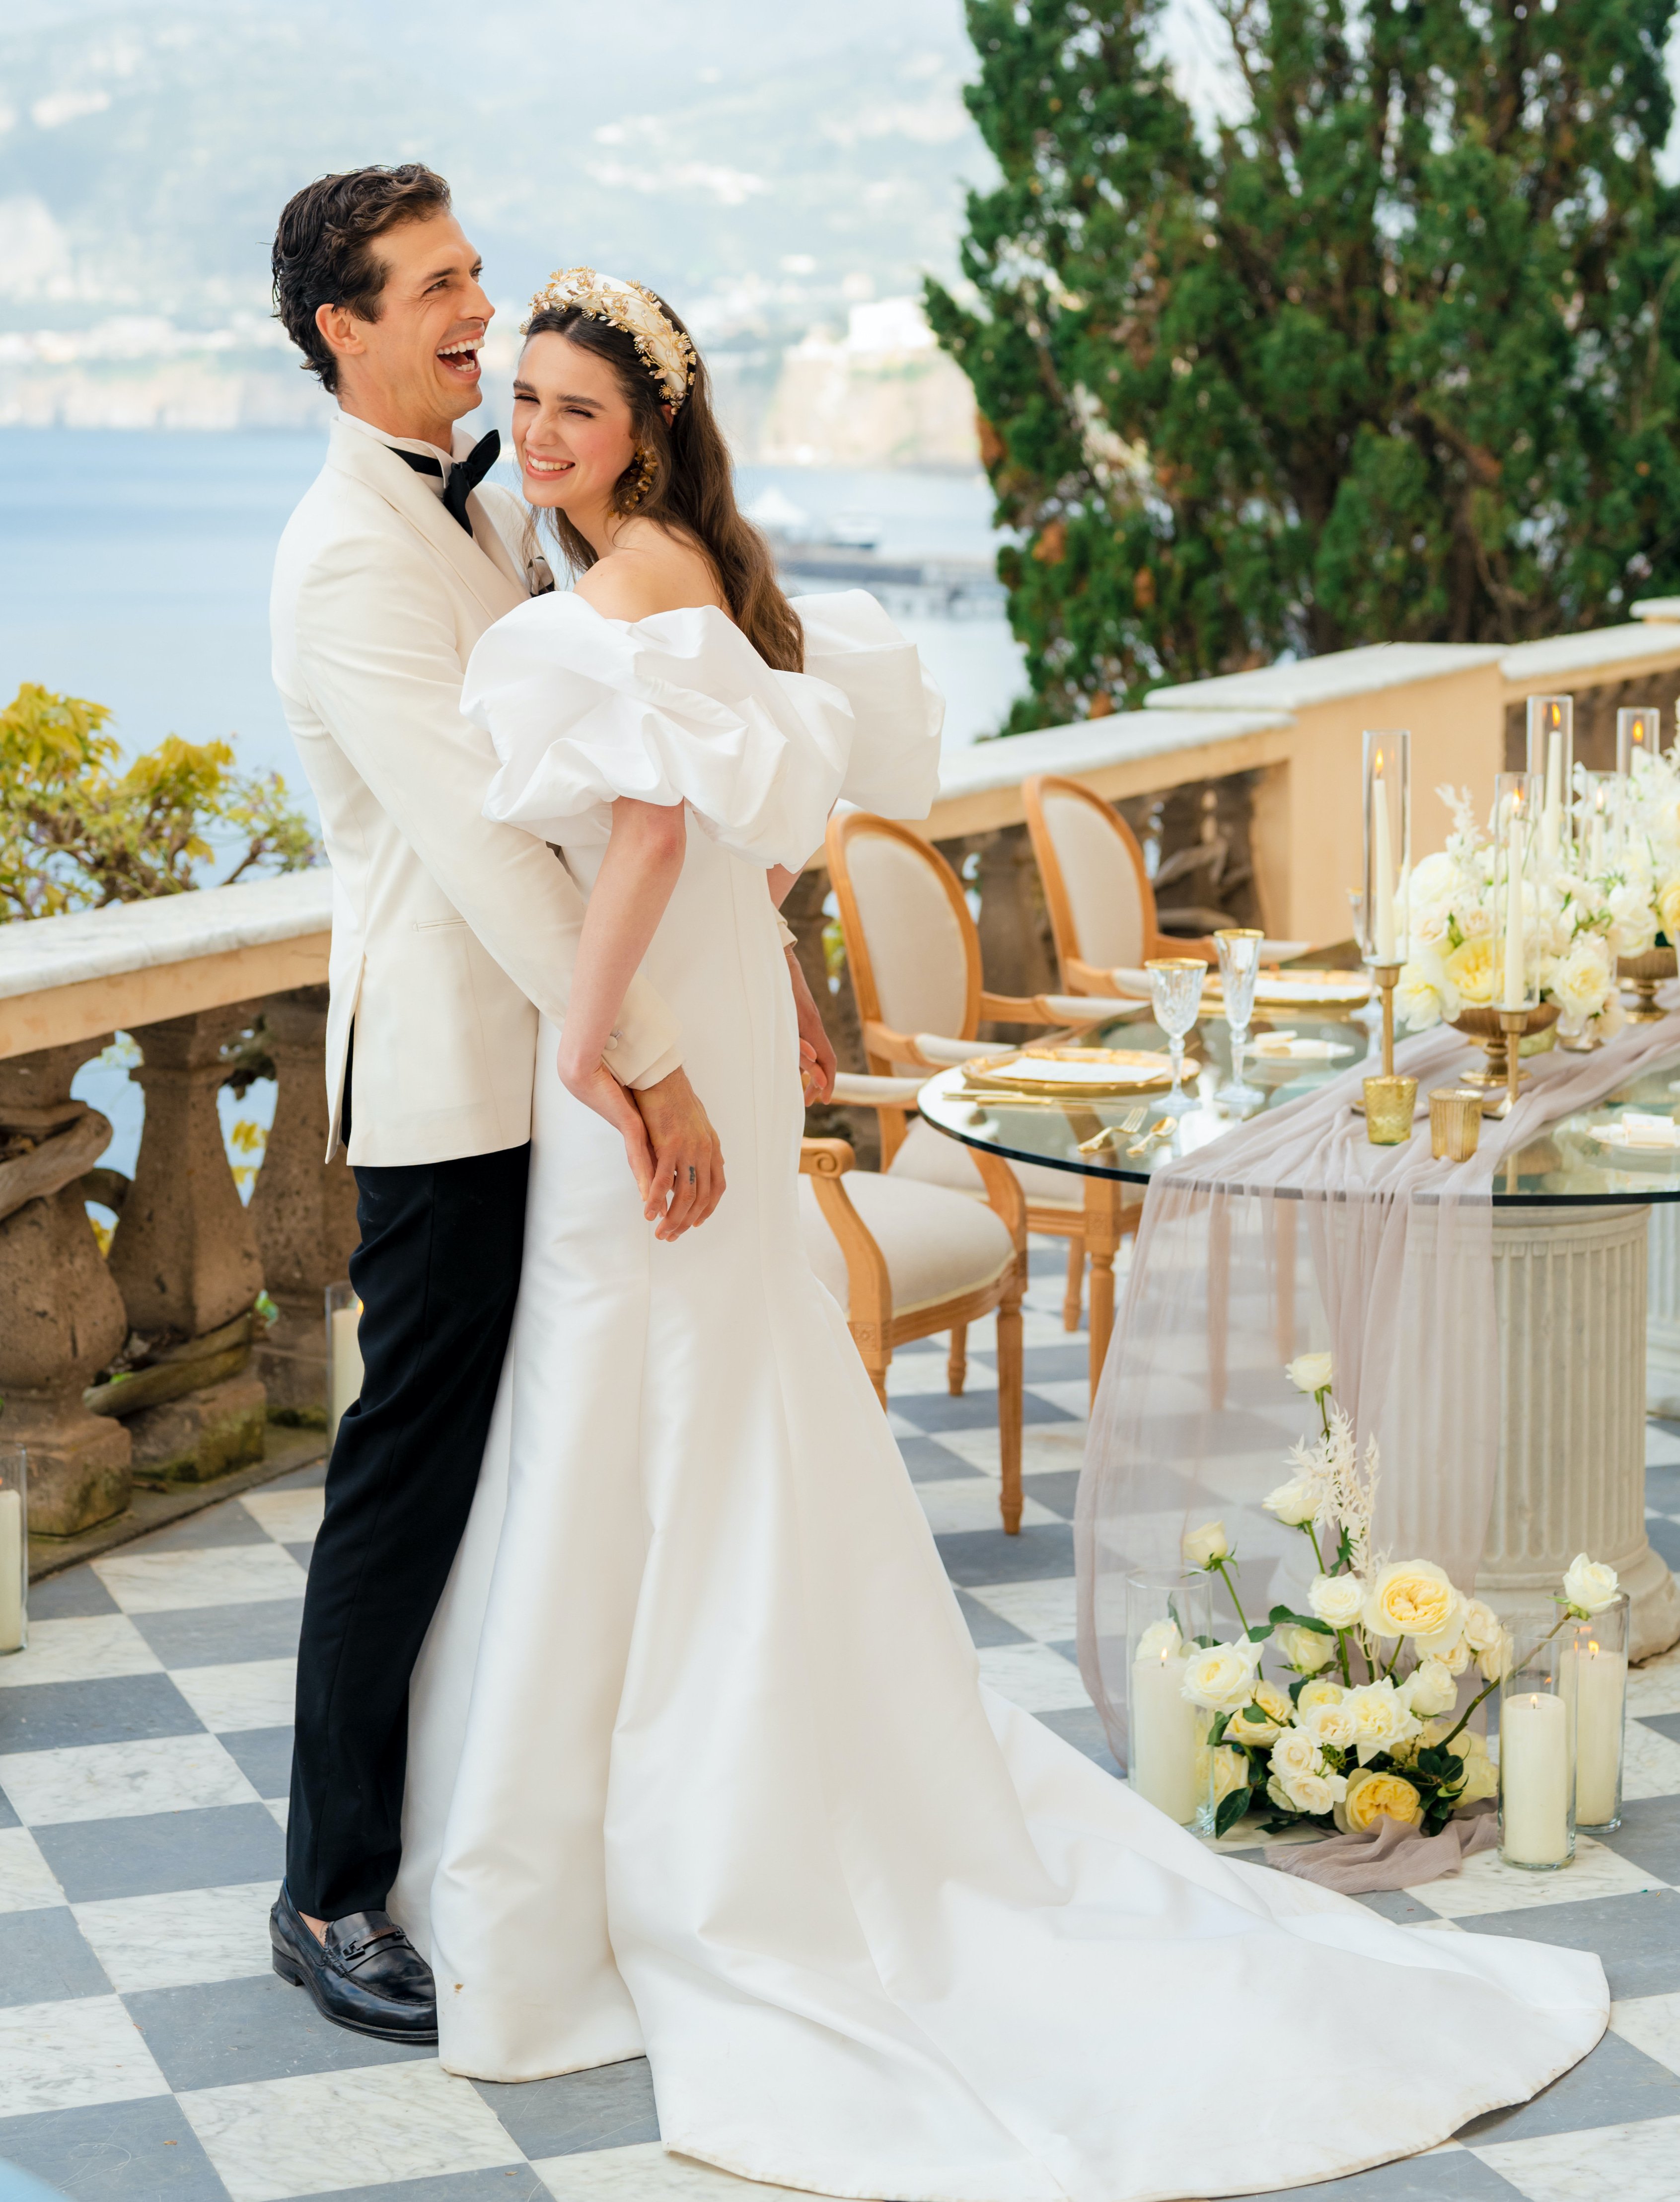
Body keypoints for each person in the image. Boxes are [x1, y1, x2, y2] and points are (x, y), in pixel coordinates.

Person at [391, 266, 1609, 2201]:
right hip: (711, 1009)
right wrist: (772, 997)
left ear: (647, 430)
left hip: (636, 1034)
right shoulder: (708, 572)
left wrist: (595, 1049)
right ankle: (673, 1815)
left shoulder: (623, 593)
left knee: (634, 1388)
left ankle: (627, 1864)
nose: (535, 434)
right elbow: (749, 842)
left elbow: (635, 845)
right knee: (700, 1393)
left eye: (573, 410)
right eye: (521, 400)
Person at [263, 167, 835, 2044]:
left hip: (555, 1058)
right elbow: (491, 858)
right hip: (453, 1071)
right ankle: (333, 1887)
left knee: (534, 1463)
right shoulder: (348, 553)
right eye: (434, 286)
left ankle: (505, 1821)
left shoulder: (507, 504)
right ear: (342, 327)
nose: (472, 313)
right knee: (406, 1470)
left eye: (475, 276)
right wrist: (652, 1066)